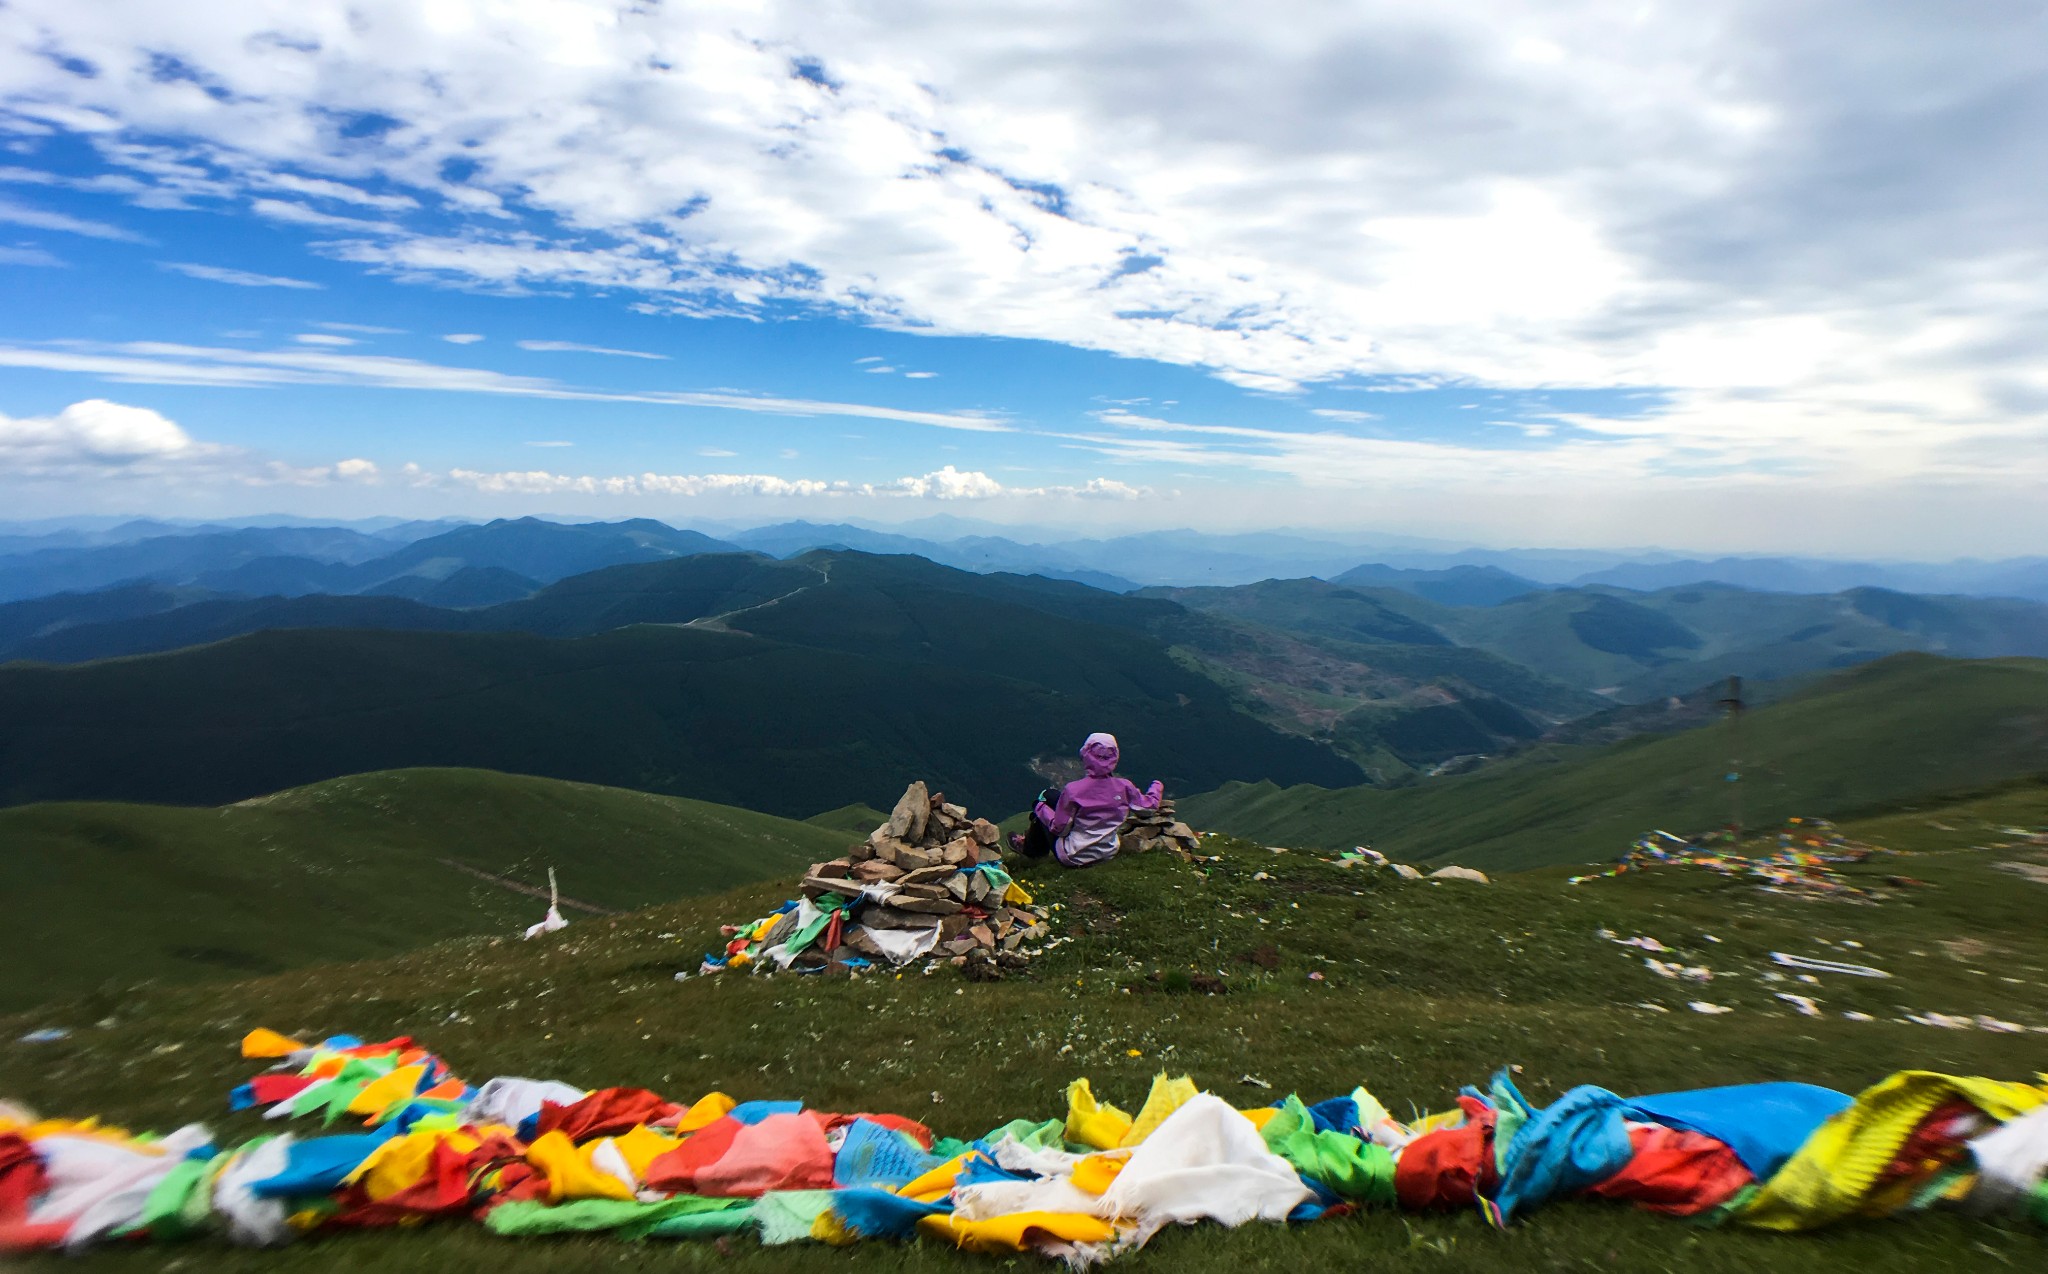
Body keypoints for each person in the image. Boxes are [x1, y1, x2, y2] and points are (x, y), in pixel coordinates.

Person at [1015, 732, 1164, 868]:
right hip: (1107, 853)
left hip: (1073, 856)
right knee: (1051, 795)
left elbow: (1059, 829)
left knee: (1045, 801)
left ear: (1085, 754)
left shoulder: (1073, 790)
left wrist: (1040, 808)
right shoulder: (1125, 787)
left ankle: (1031, 850)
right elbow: (1149, 807)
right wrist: (1157, 786)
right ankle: (1031, 844)